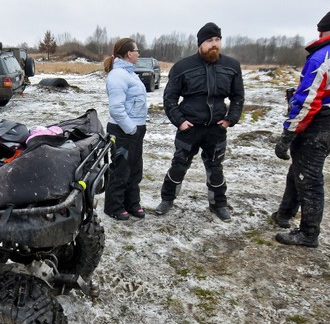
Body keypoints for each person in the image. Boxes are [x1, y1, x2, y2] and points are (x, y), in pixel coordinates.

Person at [272, 8, 330, 247]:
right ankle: (285, 214)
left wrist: (288, 134)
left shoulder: (321, 58)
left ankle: (308, 233)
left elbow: (306, 102)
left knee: (309, 179)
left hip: (317, 125)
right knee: (298, 170)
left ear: (320, 31)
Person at [154, 22, 244, 221]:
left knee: (215, 168)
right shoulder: (183, 67)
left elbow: (238, 96)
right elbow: (169, 98)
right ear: (200, 43)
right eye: (209, 40)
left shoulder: (231, 66)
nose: (214, 44)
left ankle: (218, 204)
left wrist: (231, 119)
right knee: (179, 165)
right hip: (190, 128)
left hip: (216, 129)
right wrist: (180, 122)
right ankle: (167, 199)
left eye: (217, 40)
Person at [103, 38, 148, 221]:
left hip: (135, 129)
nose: (138, 53)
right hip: (123, 130)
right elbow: (116, 109)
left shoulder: (130, 73)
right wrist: (131, 129)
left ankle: (132, 203)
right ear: (129, 54)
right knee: (121, 169)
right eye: (136, 50)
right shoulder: (118, 75)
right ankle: (114, 206)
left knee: (135, 170)